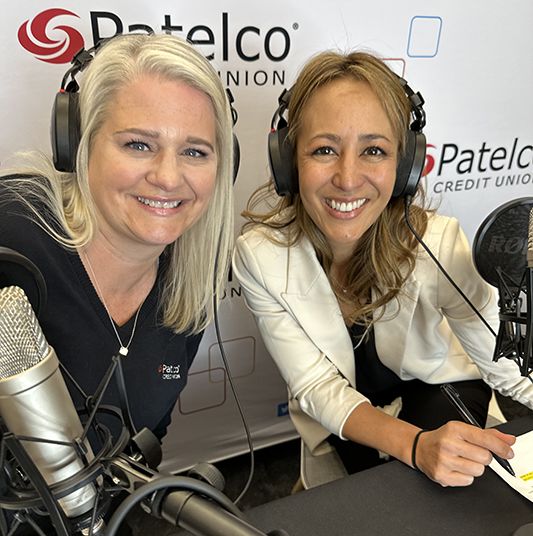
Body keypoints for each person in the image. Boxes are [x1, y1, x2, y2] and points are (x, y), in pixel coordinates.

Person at [233, 49, 533, 488]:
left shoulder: (439, 243)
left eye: (374, 150)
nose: (349, 178)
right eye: (324, 150)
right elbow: (318, 387)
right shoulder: (260, 256)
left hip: (435, 387)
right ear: (288, 161)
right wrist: (415, 447)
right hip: (344, 409)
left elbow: (503, 362)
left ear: (406, 164)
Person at [0, 33, 234, 532]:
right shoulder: (12, 235)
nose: (169, 177)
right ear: (78, 144)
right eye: (138, 144)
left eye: (195, 151)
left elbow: (144, 445)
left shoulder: (186, 290)